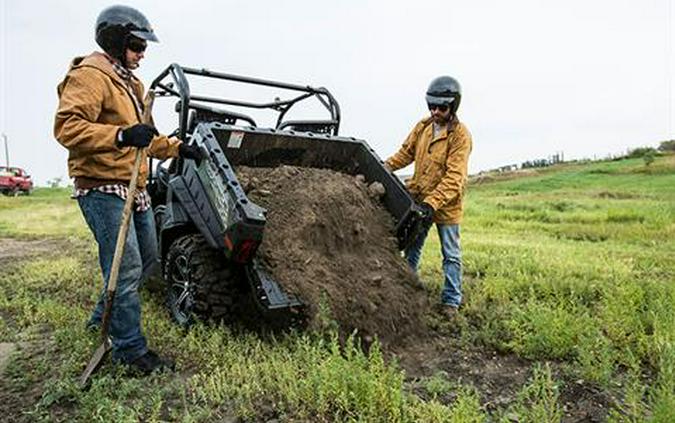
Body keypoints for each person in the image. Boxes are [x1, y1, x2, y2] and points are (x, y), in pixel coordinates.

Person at [54, 5, 203, 374]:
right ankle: (129, 349)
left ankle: (100, 319)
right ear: (117, 41)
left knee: (146, 259)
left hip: (133, 186)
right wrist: (120, 134)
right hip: (101, 187)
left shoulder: (133, 85)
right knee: (125, 266)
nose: (142, 53)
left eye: (144, 47)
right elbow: (67, 128)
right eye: (137, 45)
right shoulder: (90, 76)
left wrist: (177, 147)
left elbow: (146, 140)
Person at [385, 76, 473, 318]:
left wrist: (432, 203)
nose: (435, 111)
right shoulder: (423, 127)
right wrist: (384, 167)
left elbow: (455, 177)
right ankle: (407, 291)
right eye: (431, 106)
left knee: (451, 254)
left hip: (446, 206)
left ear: (453, 106)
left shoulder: (460, 136)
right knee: (411, 248)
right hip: (419, 199)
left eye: (441, 107)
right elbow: (405, 154)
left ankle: (451, 301)